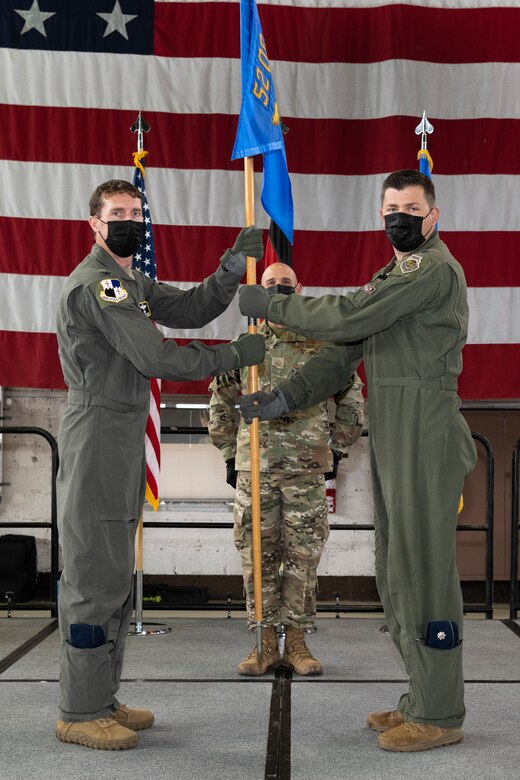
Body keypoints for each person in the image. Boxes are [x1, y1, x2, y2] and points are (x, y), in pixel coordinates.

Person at [238, 170, 477, 752]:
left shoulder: (431, 269)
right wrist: (286, 396)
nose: (399, 216)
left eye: (411, 207)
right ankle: (420, 696)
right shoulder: (394, 275)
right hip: (396, 429)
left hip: (424, 426)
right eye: (390, 206)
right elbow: (346, 351)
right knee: (396, 572)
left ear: (433, 215)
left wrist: (276, 306)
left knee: (424, 573)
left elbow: (346, 318)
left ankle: (441, 712)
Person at [55, 179, 265, 750]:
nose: (128, 220)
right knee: (93, 576)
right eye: (116, 213)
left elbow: (188, 306)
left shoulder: (130, 281)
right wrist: (231, 356)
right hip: (98, 430)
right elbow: (154, 354)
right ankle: (79, 709)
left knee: (113, 573)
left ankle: (100, 695)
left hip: (119, 433)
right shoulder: (101, 286)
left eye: (135, 212)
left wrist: (230, 266)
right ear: (93, 224)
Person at [208, 262, 364, 676]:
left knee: (303, 555)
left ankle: (296, 642)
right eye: (270, 285)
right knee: (256, 554)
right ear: (259, 293)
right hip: (254, 469)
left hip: (306, 472)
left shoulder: (323, 345)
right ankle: (262, 644)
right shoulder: (246, 345)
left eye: (285, 285)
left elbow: (351, 395)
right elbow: (221, 400)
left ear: (301, 288)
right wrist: (229, 454)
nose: (278, 290)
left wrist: (336, 447)